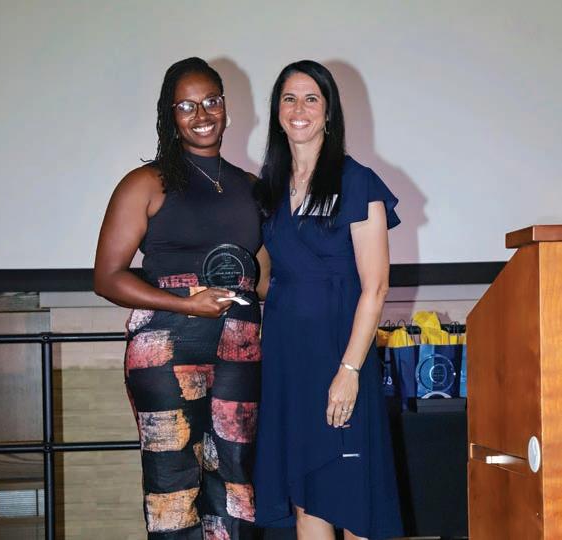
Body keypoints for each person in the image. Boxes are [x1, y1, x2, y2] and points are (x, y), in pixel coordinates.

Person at [94, 57, 262, 540]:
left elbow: (264, 277)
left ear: (226, 106)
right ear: (170, 115)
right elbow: (106, 278)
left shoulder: (252, 188)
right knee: (173, 484)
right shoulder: (146, 183)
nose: (202, 114)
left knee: (236, 480)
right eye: (186, 106)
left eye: (211, 101)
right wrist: (189, 304)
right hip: (166, 346)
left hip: (240, 345)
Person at [253, 60, 403, 540]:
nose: (299, 109)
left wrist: (350, 371)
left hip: (340, 352)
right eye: (289, 98)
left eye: (311, 98)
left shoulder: (357, 181)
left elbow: (376, 287)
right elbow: (267, 278)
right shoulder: (269, 188)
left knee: (353, 498)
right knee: (306, 497)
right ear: (277, 112)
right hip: (286, 358)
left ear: (329, 111)